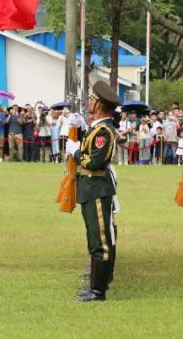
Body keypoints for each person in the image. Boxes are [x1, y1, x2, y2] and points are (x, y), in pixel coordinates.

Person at [64, 80, 119, 302]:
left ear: (98, 104)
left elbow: (95, 162)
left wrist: (76, 153)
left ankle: (98, 291)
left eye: (92, 99)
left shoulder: (104, 131)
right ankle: (95, 285)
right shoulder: (97, 128)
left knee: (100, 241)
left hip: (97, 188)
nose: (89, 102)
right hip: (89, 188)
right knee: (93, 237)